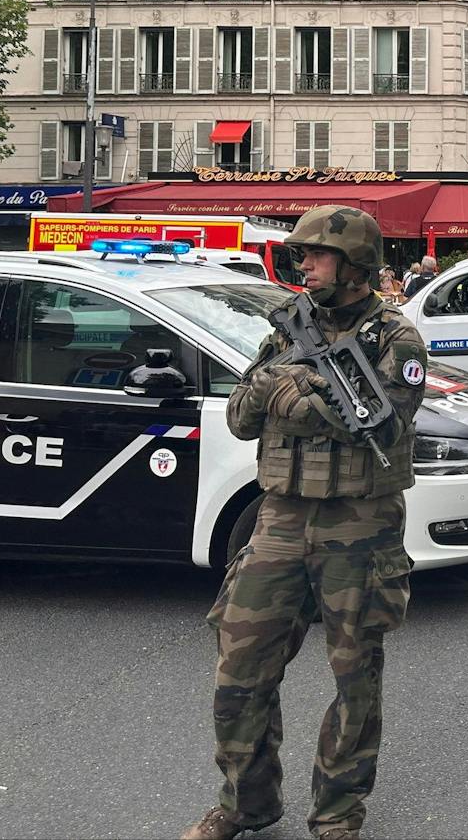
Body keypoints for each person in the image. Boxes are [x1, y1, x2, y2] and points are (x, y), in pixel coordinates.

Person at [183, 205, 428, 840]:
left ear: (356, 266)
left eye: (317, 255)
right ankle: (245, 804)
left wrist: (293, 397)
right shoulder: (285, 332)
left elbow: (381, 421)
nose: (304, 264)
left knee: (355, 677)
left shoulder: (395, 338)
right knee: (240, 666)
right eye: (303, 254)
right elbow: (241, 417)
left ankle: (338, 814)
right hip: (280, 519)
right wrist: (277, 387)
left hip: (361, 523)